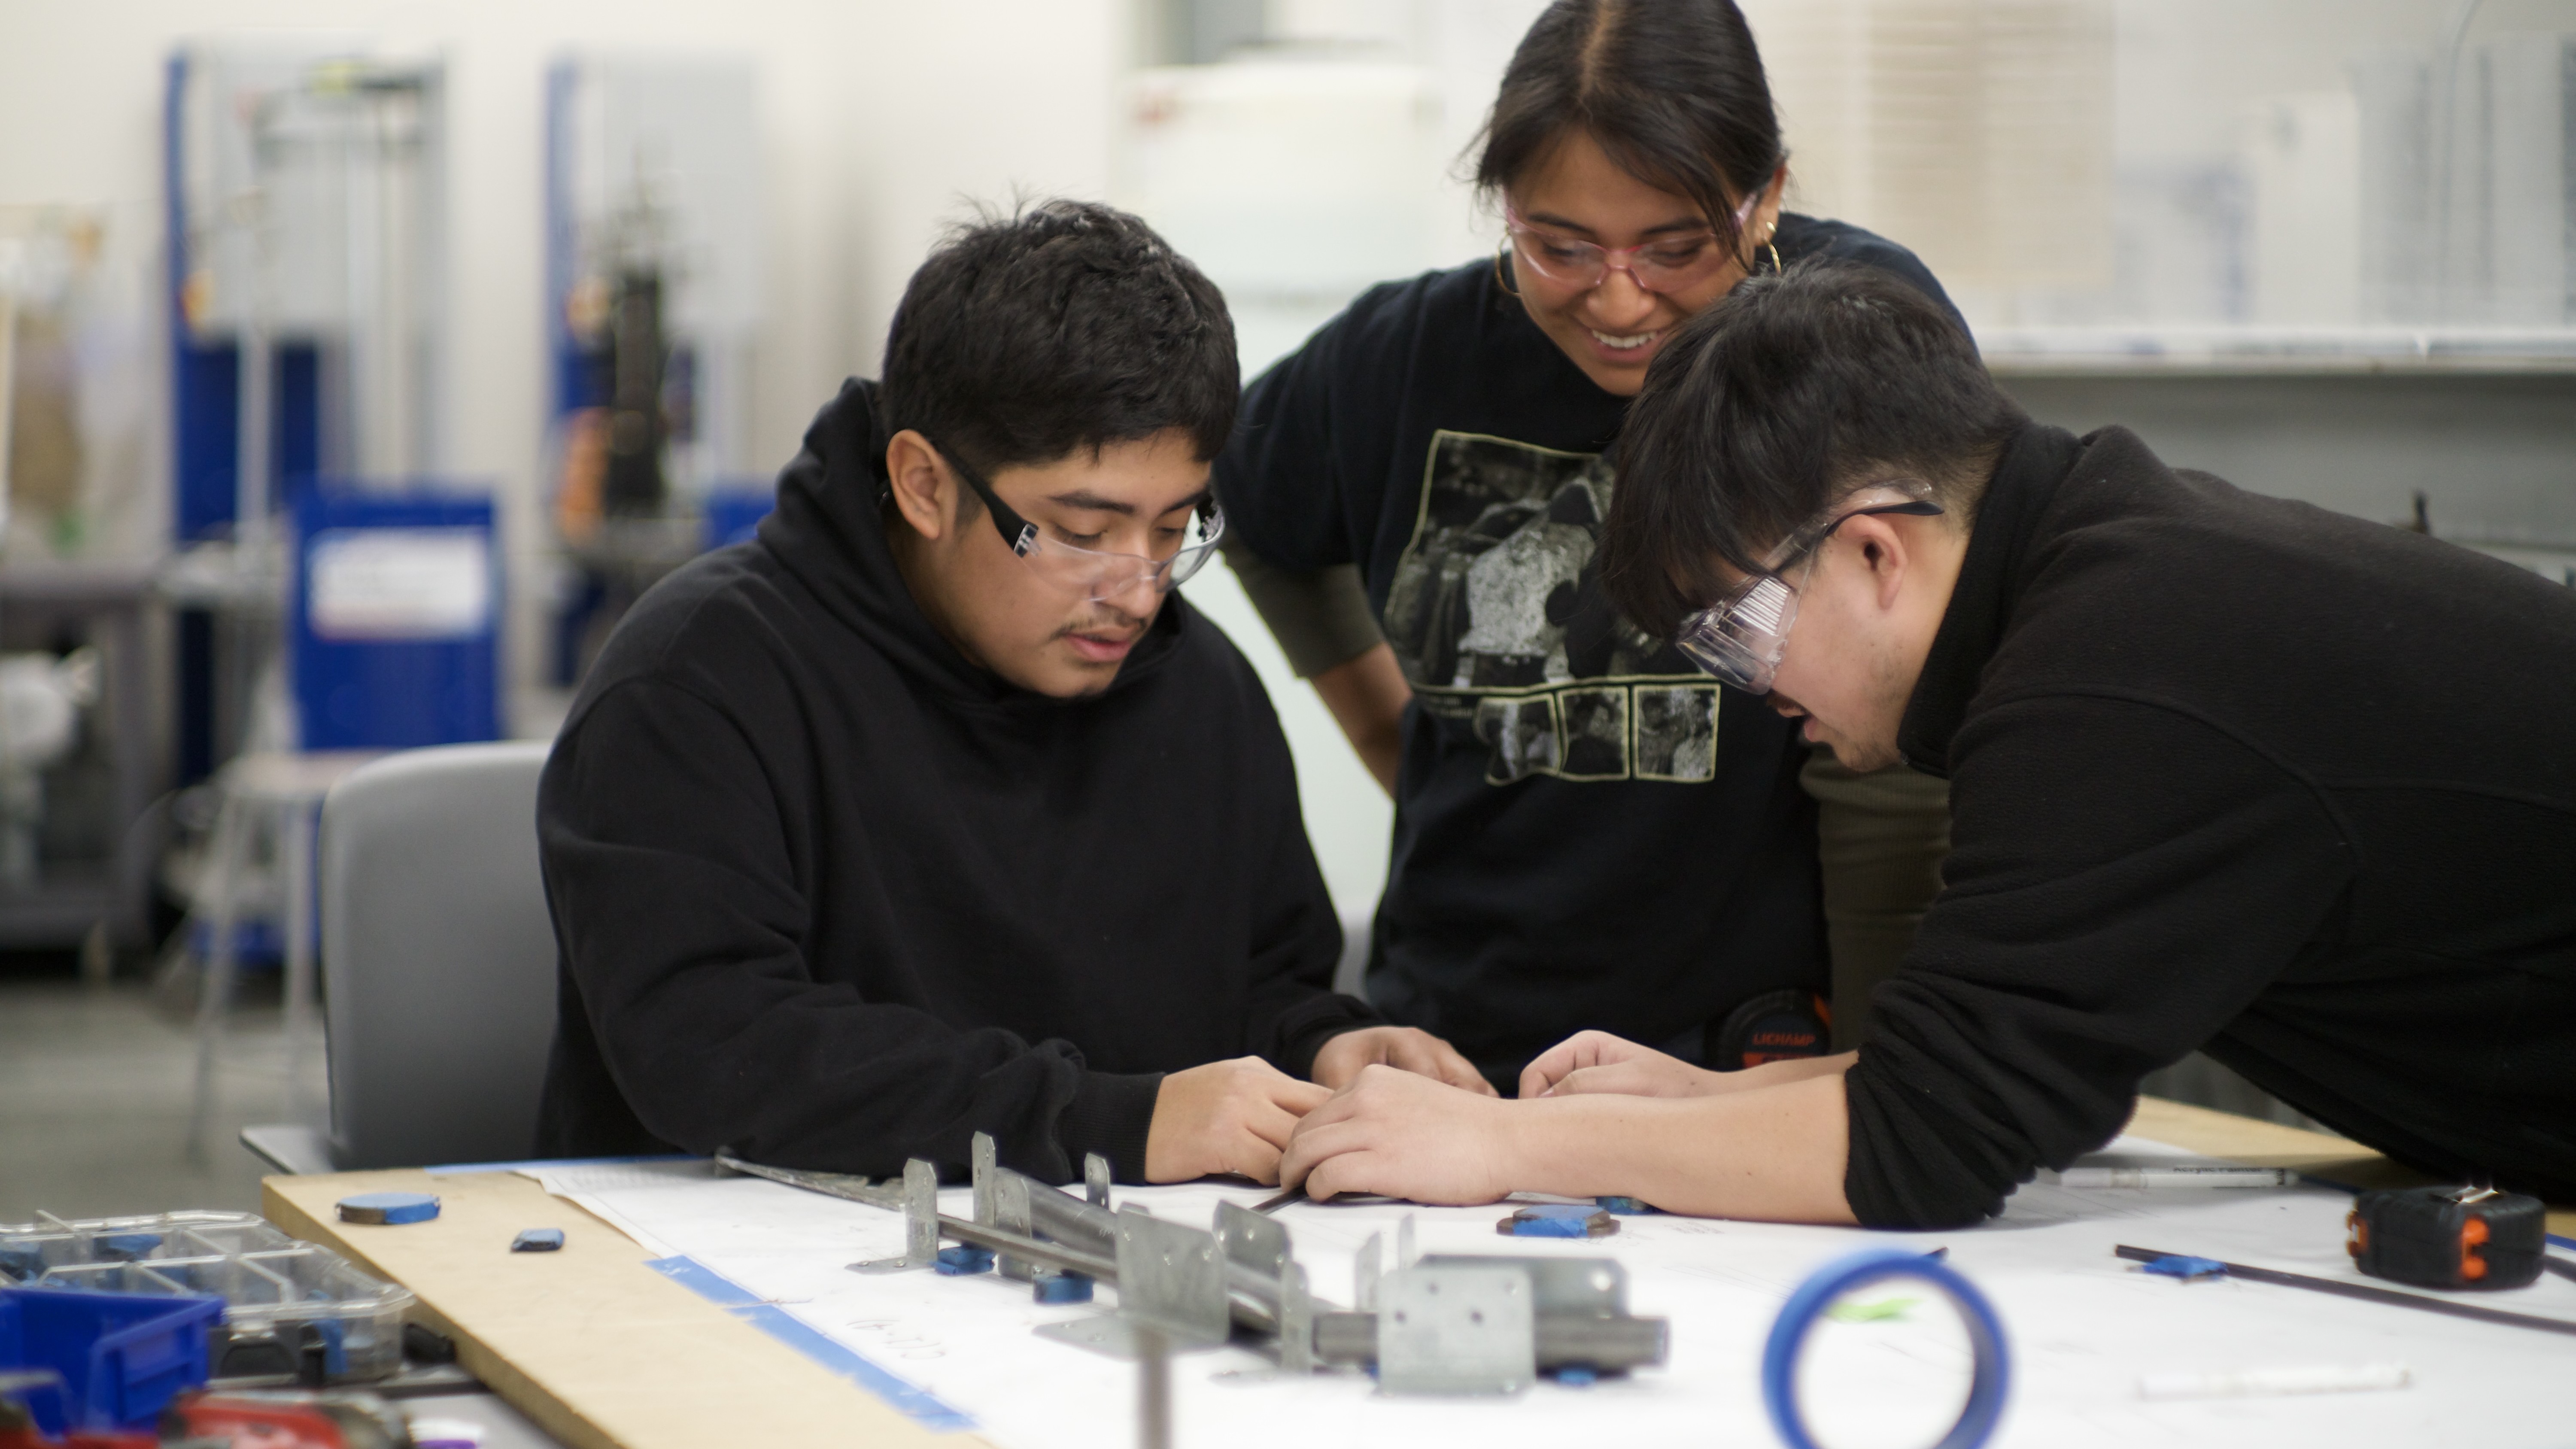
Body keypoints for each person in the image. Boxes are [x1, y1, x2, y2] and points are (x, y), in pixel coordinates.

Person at [1278, 260, 2576, 1226]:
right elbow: (2001, 1060)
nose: (1745, 687)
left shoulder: (2113, 682)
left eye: (1736, 629)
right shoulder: (2100, 570)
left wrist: (1501, 1150)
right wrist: (1700, 1102)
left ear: (1874, 551)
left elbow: (1927, 1146)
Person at [534, 201, 1486, 1187]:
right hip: (712, 1276)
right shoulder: (697, 682)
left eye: (1174, 527)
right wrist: (1119, 1121)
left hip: (1088, 1282)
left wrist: (1327, 1045)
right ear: (923, 484)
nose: (1137, 586)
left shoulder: (1200, 690)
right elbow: (716, 1053)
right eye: (1081, 529)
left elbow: (1257, 986)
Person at [1215, 0, 1959, 1089]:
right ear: (1503, 210)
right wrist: (1391, 733)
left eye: (1677, 248)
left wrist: (1879, 1065)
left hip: (1753, 1039)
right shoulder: (1401, 358)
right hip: (1464, 1035)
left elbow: (1899, 750)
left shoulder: (1850, 329)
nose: (1619, 299)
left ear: (1768, 203)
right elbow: (1255, 504)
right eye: (1559, 247)